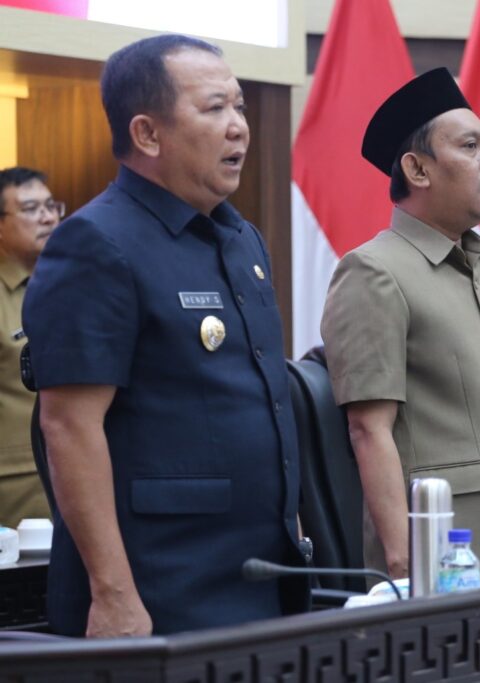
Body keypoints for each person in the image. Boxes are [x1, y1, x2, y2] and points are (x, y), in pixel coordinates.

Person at [22, 34, 308, 637]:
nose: (238, 128)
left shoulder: (242, 240)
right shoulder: (96, 242)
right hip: (161, 588)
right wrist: (113, 592)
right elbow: (68, 425)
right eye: (214, 109)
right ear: (148, 134)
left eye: (240, 107)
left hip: (264, 574)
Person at [321, 68, 480, 585]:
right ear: (417, 169)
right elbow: (368, 429)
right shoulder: (373, 271)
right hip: (444, 565)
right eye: (470, 146)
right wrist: (406, 565)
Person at [0, 167, 60, 525]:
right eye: (31, 208)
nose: (48, 217)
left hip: (78, 477)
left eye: (51, 205)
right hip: (16, 492)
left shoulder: (75, 284)